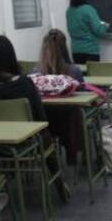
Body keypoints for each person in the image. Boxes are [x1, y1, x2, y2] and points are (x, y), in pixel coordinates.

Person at [0, 35, 70, 202]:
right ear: (11, 56)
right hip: (27, 143)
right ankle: (59, 185)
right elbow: (40, 118)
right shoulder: (24, 84)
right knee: (45, 136)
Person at [34, 29, 84, 165]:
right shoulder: (74, 70)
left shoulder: (36, 72)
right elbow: (82, 92)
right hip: (68, 124)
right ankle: (78, 157)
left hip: (42, 125)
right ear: (64, 48)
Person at [66, 0, 109, 64]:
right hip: (90, 51)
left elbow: (70, 29)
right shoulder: (88, 9)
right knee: (92, 76)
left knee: (81, 76)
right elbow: (98, 31)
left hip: (76, 51)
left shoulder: (69, 11)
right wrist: (105, 26)